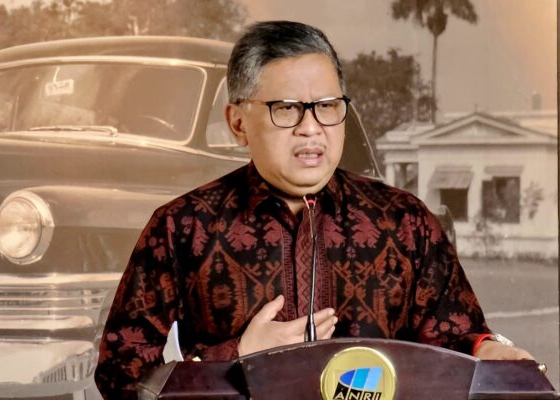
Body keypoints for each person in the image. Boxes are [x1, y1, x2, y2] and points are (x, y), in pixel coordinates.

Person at [94, 20, 532, 399]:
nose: (311, 128)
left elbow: (456, 338)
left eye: (327, 107)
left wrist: (487, 349)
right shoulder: (182, 225)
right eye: (286, 109)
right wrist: (235, 356)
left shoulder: (405, 220)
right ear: (237, 123)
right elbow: (120, 373)